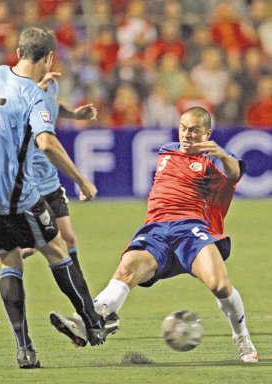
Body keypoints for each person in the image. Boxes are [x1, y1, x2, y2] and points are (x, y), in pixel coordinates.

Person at [51, 107, 258, 363]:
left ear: (207, 133)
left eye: (194, 130)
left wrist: (222, 154)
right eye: (183, 127)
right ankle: (91, 320)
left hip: (191, 230)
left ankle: (242, 337)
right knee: (126, 269)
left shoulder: (213, 160)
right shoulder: (167, 151)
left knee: (219, 284)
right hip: (156, 230)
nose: (187, 134)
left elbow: (234, 172)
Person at [0, 27, 117, 369]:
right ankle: (92, 322)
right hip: (13, 194)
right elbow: (47, 143)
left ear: (19, 50)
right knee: (57, 249)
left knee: (11, 259)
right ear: (49, 57)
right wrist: (82, 180)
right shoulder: (34, 96)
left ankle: (24, 349)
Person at [0, 72, 97, 294]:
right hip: (28, 179)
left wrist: (72, 113)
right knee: (36, 245)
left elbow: (51, 103)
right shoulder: (16, 85)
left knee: (65, 239)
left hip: (48, 178)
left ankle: (87, 307)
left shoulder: (51, 83)